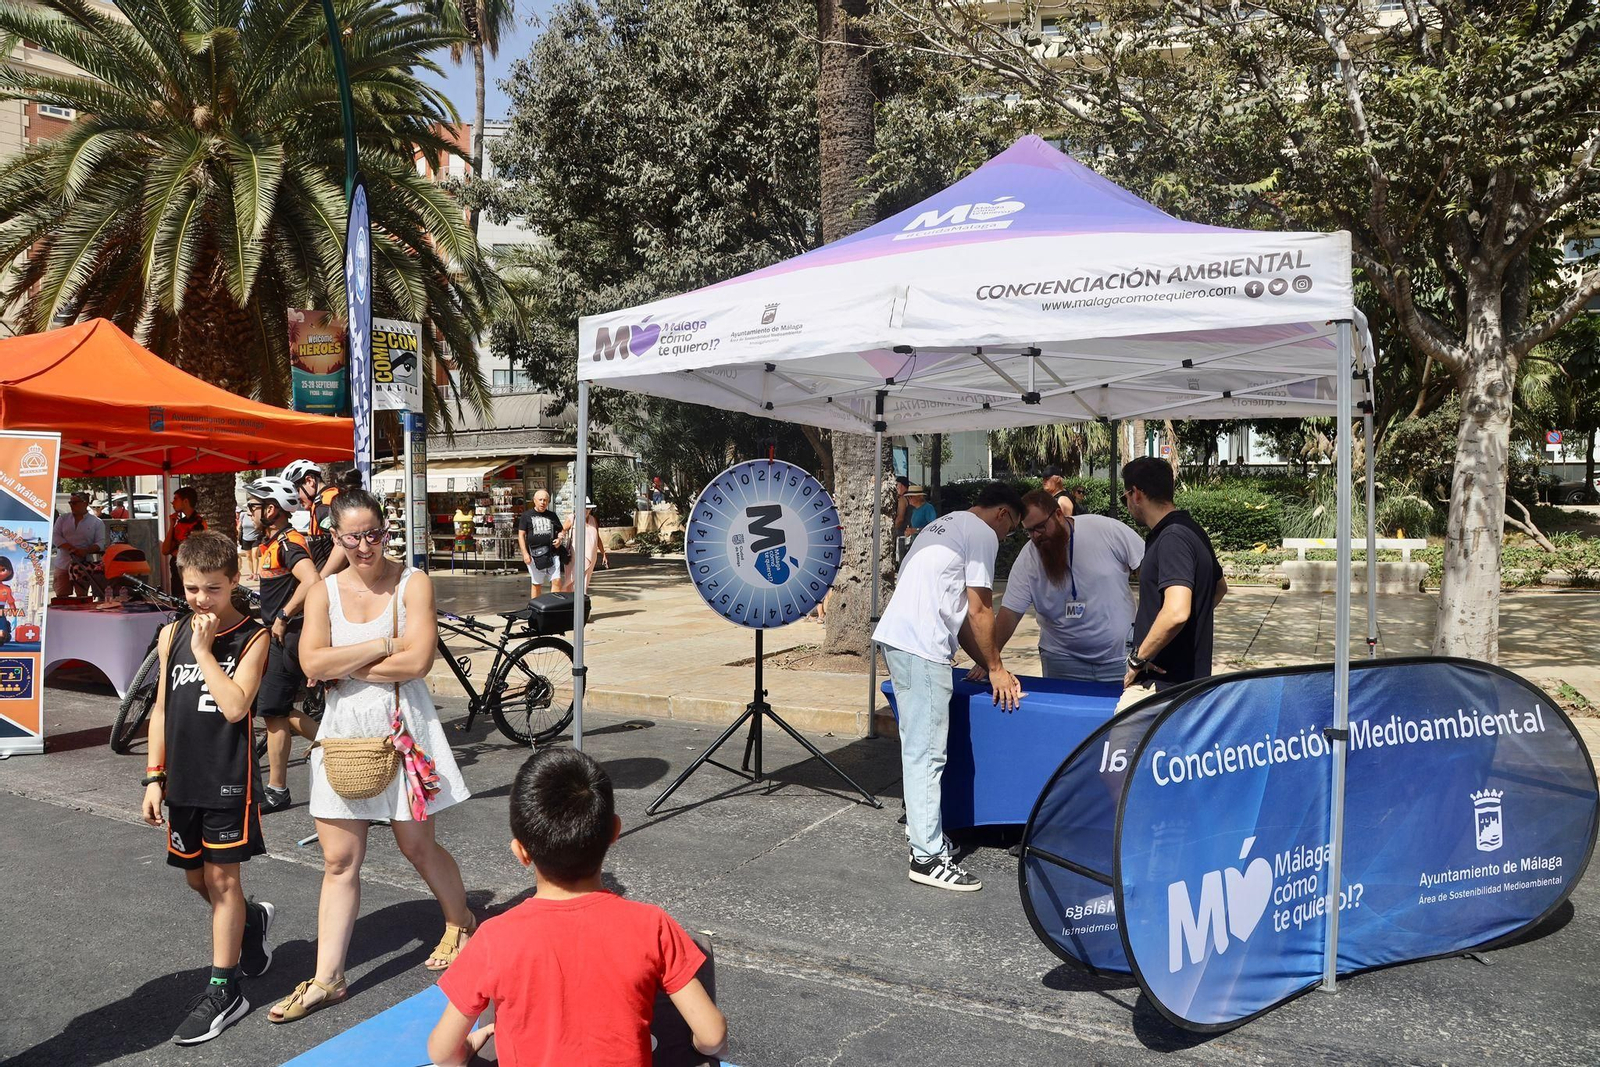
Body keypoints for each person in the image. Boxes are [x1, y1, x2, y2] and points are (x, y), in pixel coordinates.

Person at [271, 489, 474, 1023]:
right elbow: (312, 663)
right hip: (344, 733)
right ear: (334, 537)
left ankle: (460, 921)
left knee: (417, 846)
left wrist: (344, 664)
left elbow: (419, 661)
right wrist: (384, 645)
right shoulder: (323, 592)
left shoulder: (413, 582)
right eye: (352, 537)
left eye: (374, 534)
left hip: (403, 728)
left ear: (387, 530)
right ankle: (327, 978)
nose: (365, 546)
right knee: (339, 860)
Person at [428, 749, 727, 1067]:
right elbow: (712, 1036)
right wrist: (692, 1046)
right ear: (614, 831)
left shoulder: (492, 938)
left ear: (521, 852)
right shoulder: (652, 924)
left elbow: (443, 1053)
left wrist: (469, 1046)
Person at [138, 531, 274, 1045]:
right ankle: (251, 923)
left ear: (234, 581)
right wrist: (154, 776)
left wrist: (203, 652)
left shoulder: (253, 636)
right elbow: (160, 710)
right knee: (197, 881)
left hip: (227, 780)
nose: (201, 599)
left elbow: (236, 706)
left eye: (213, 588)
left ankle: (225, 989)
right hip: (182, 780)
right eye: (192, 588)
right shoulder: (171, 633)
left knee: (222, 883)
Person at [873, 482, 1024, 892]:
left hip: (900, 639)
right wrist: (996, 668)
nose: (1006, 537)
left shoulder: (942, 524)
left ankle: (926, 835)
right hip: (922, 648)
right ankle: (926, 858)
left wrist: (988, 662)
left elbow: (957, 618)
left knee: (918, 747)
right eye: (1011, 529)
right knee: (927, 753)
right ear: (1002, 514)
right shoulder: (982, 533)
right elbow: (980, 609)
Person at [972, 490, 1144, 685]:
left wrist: (1151, 641)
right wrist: (989, 661)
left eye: (1040, 527)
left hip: (1120, 658)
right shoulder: (1028, 558)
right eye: (1029, 531)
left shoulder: (1107, 530)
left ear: (1059, 514)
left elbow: (1149, 572)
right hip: (1061, 660)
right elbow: (1010, 613)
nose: (1036, 536)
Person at [1118, 457, 1227, 711]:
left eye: (1125, 498)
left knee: (1120, 738)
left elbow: (1176, 612)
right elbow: (1219, 587)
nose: (1127, 505)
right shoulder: (1191, 529)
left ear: (1136, 494)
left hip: (1160, 687)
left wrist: (1138, 659)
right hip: (1187, 683)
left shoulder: (1171, 537)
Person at [248, 476, 321, 813]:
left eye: (253, 506)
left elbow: (312, 580)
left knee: (274, 713)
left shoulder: (288, 543)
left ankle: (277, 790)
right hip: (281, 635)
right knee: (275, 710)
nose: (249, 512)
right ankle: (335, 744)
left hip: (289, 635)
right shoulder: (273, 542)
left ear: (271, 510)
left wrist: (282, 615)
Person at [283, 459, 345, 577]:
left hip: (334, 582)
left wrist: (320, 580)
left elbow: (343, 545)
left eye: (296, 491)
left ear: (310, 481)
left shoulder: (324, 506)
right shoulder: (327, 499)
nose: (296, 498)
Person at [52, 491, 106, 597]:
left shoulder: (96, 522)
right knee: (61, 596)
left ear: (85, 503)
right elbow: (55, 536)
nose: (71, 505)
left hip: (83, 566)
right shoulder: (63, 519)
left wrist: (85, 551)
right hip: (62, 564)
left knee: (82, 596)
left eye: (74, 503)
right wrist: (70, 548)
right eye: (70, 503)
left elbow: (101, 542)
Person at [517, 490, 563, 598]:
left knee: (556, 580)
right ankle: (536, 606)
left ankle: (554, 605)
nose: (543, 502)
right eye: (540, 500)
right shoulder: (526, 516)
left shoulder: (552, 515)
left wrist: (559, 539)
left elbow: (561, 531)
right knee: (537, 584)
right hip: (535, 555)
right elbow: (521, 535)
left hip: (552, 554)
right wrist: (525, 554)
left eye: (545, 500)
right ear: (534, 501)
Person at [556, 498, 609, 593]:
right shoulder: (573, 518)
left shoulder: (593, 520)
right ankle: (570, 597)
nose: (586, 510)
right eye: (584, 508)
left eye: (588, 508)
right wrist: (559, 539)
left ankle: (582, 597)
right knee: (573, 578)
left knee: (585, 580)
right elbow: (563, 530)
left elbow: (597, 538)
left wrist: (603, 553)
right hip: (576, 555)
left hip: (592, 556)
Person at [161, 486, 207, 591]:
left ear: (185, 501)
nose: (172, 502)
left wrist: (175, 550)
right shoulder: (180, 523)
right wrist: (171, 525)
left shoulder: (198, 523)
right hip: (176, 573)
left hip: (190, 573)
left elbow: (192, 553)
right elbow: (165, 550)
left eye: (176, 499)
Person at [237, 502, 258, 580]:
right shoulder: (243, 515)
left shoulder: (256, 515)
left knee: (254, 554)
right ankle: (251, 573)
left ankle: (255, 574)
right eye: (248, 507)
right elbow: (239, 527)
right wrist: (238, 535)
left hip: (256, 538)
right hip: (245, 538)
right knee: (248, 556)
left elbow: (259, 525)